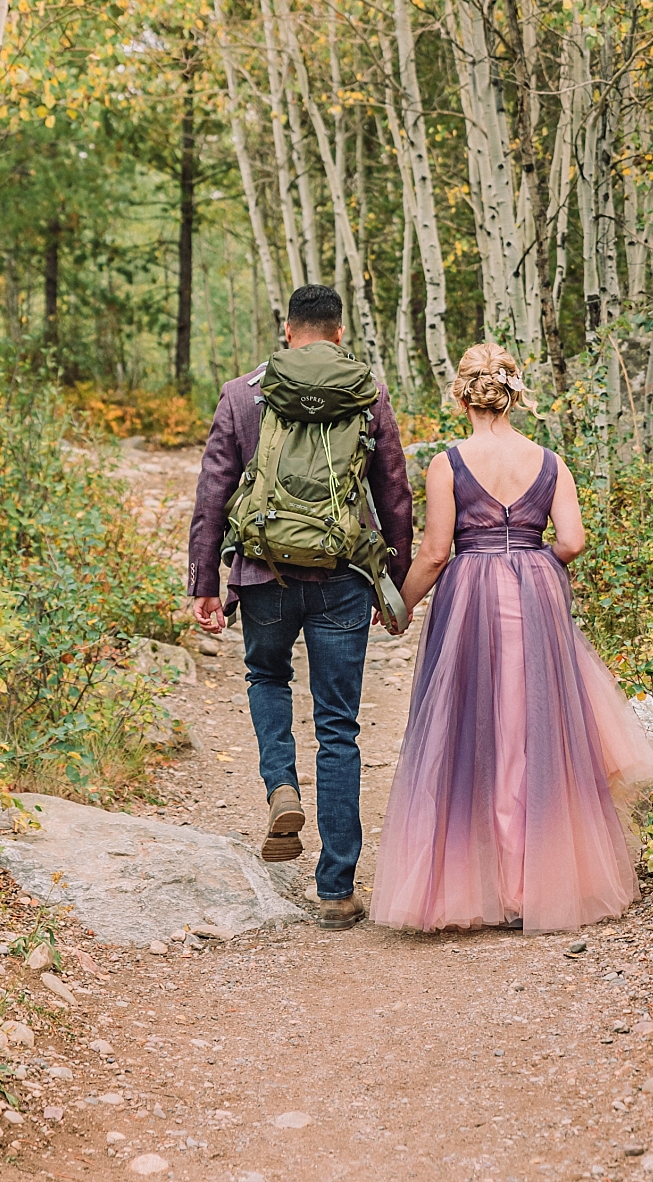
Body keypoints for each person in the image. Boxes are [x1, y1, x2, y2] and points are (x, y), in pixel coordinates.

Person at [370, 342, 653, 934]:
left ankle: (494, 881)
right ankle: (545, 879)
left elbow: (433, 553)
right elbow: (574, 541)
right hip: (537, 590)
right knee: (540, 728)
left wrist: (399, 606)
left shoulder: (448, 464)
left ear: (462, 394)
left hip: (474, 593)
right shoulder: (550, 462)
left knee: (482, 729)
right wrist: (536, 561)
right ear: (512, 392)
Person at [188, 284, 413, 931]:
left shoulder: (242, 393)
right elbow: (392, 490)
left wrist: (207, 580)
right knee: (339, 726)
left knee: (266, 677)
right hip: (342, 575)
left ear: (287, 331)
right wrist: (389, 581)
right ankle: (336, 891)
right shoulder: (367, 392)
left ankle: (280, 786)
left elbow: (213, 493)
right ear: (338, 334)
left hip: (264, 574)